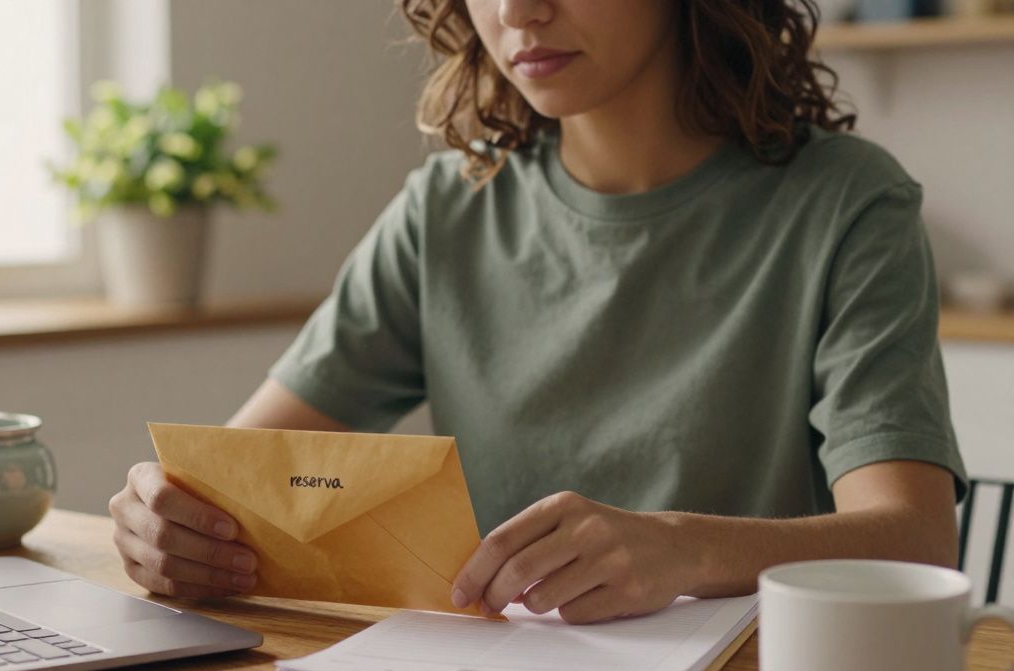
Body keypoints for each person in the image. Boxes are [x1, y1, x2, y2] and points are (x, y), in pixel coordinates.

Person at [109, 0, 967, 624]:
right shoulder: (448, 207)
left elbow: (916, 543)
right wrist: (167, 516)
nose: (518, 11)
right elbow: (241, 473)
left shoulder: (848, 203)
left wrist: (685, 549)